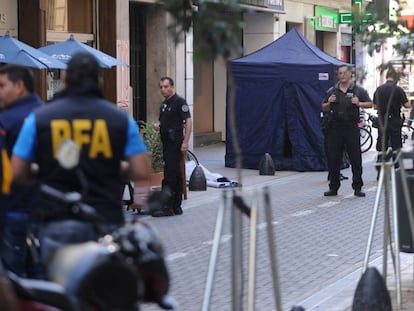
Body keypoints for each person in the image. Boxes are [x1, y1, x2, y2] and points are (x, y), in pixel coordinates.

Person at [11, 52, 151, 263]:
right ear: (99, 81)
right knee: (103, 289)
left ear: (64, 78)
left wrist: (42, 173)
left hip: (56, 220)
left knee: (59, 290)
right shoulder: (120, 119)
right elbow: (141, 171)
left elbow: (16, 172)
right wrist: (115, 169)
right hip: (106, 219)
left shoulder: (39, 118)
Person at [0, 65, 43, 278]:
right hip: (47, 211)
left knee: (12, 280)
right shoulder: (50, 115)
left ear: (19, 87)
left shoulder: (6, 121)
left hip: (13, 209)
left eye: (2, 85)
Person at [322, 65, 372, 197]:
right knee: (334, 159)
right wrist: (329, 102)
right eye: (340, 73)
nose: (342, 75)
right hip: (335, 128)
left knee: (355, 158)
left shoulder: (358, 90)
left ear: (350, 75)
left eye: (345, 73)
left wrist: (359, 103)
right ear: (338, 75)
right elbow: (323, 106)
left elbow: (370, 104)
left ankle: (357, 187)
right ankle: (333, 187)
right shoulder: (332, 91)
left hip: (351, 128)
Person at [152, 76, 192, 217]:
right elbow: (167, 122)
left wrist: (186, 142)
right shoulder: (164, 105)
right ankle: (176, 205)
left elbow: (188, 121)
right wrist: (159, 126)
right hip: (167, 143)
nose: (163, 89)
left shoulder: (179, 102)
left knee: (170, 175)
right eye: (161, 87)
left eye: (166, 86)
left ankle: (167, 206)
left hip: (175, 143)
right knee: (175, 174)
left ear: (172, 87)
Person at [373, 70, 411, 154]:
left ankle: (381, 160)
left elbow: (375, 106)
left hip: (382, 119)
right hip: (394, 119)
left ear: (386, 77)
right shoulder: (398, 89)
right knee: (396, 143)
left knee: (382, 141)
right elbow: (407, 105)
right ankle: (396, 163)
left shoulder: (378, 89)